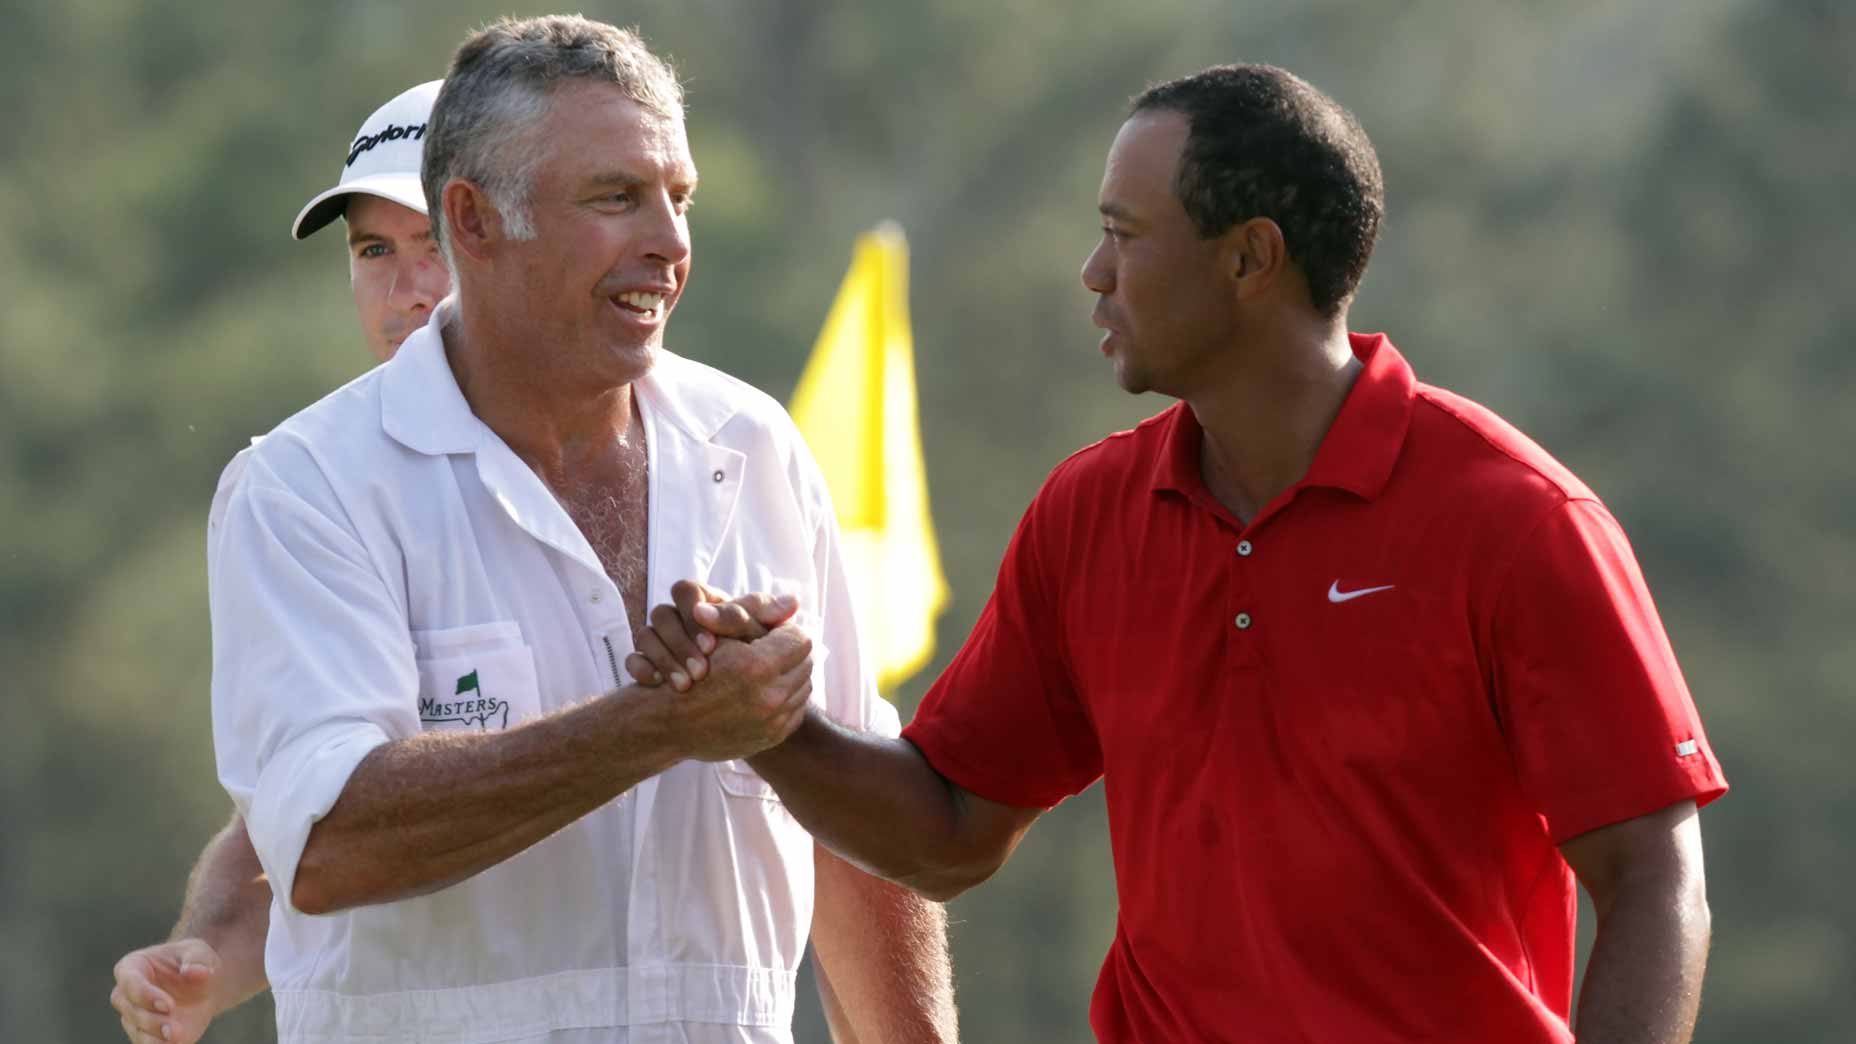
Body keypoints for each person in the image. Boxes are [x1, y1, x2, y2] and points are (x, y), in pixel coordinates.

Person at [634, 64, 1728, 1044]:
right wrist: (768, 728)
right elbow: (950, 830)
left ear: (1249, 257)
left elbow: (1649, 877)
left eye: (1125, 232)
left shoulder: (1516, 519)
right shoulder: (1090, 512)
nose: (1091, 272)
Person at [138, 18, 959, 1043]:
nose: (670, 241)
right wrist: (663, 723)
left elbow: (856, 840)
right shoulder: (306, 487)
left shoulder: (755, 445)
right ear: (475, 223)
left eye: (678, 198)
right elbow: (327, 843)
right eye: (617, 199)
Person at [110, 78, 448, 1044]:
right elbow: (289, 823)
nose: (405, 289)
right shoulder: (298, 485)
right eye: (374, 250)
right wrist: (205, 962)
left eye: (435, 245)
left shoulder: (713, 450)